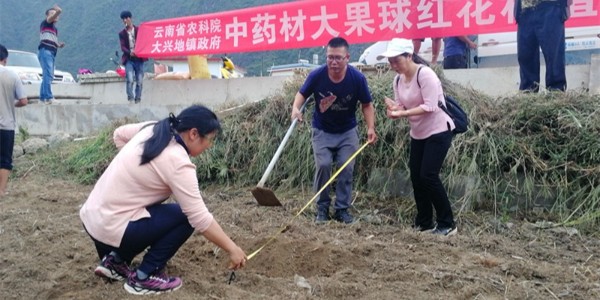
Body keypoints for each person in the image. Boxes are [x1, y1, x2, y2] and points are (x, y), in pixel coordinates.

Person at [79, 105, 247, 295]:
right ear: (193, 134)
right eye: (210, 139)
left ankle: (115, 262)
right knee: (184, 216)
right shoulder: (178, 162)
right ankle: (144, 276)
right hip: (113, 231)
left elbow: (119, 134)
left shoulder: (153, 128)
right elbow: (200, 218)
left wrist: (135, 171)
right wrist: (232, 248)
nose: (210, 145)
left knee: (162, 210)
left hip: (93, 222)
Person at [291, 37, 377, 224]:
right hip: (322, 130)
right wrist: (295, 109)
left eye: (338, 58)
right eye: (330, 57)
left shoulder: (357, 78)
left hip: (347, 131)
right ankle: (322, 208)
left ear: (347, 57)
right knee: (323, 165)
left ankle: (342, 210)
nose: (334, 62)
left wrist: (371, 127)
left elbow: (367, 105)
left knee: (346, 167)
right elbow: (301, 94)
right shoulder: (317, 75)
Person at [377, 38, 456, 236]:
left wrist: (401, 113)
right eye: (391, 61)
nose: (394, 65)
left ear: (409, 56)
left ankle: (447, 223)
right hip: (418, 133)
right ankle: (424, 222)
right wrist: (394, 110)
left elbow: (430, 106)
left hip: (438, 130)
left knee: (428, 176)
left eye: (397, 60)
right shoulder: (397, 80)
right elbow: (401, 106)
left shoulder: (425, 74)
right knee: (416, 177)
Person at [514, 0, 573, 92]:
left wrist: (567, 4)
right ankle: (528, 96)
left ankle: (556, 95)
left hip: (551, 6)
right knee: (525, 56)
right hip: (525, 10)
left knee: (554, 56)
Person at [0, 44, 28, 198]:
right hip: (6, 125)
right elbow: (23, 101)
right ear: (5, 59)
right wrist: (12, 104)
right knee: (4, 160)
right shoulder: (12, 75)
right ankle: (2, 191)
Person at [38, 4, 65, 105]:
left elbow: (51, 40)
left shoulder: (55, 29)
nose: (55, 16)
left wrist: (58, 45)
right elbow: (51, 18)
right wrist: (58, 11)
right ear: (47, 16)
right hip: (45, 51)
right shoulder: (46, 23)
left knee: (47, 75)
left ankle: (42, 98)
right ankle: (49, 97)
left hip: (52, 52)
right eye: (52, 14)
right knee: (48, 74)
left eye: (56, 14)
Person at [119, 10, 147, 103]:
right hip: (129, 59)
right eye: (123, 19)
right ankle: (130, 98)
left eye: (126, 18)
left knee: (139, 80)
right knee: (130, 79)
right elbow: (122, 47)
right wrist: (129, 52)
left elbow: (144, 41)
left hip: (139, 59)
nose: (125, 20)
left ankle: (138, 99)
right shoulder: (122, 33)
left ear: (130, 18)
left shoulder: (139, 30)